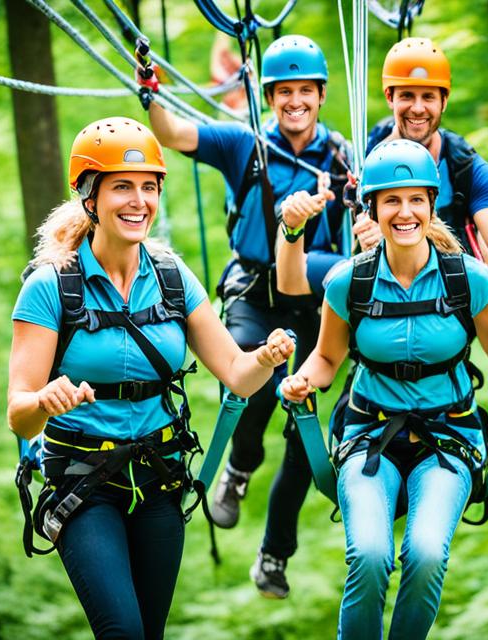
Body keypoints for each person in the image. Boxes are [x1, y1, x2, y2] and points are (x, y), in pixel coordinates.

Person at [7, 117, 294, 639]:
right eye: (122, 187)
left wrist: (267, 359)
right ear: (89, 198)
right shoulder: (51, 288)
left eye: (148, 187)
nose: (138, 201)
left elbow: (236, 374)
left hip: (160, 479)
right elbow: (18, 415)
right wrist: (45, 401)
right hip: (83, 483)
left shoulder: (171, 279)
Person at [279, 139, 488, 640]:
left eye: (416, 200)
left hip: (448, 438)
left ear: (432, 206)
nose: (404, 212)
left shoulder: (467, 279)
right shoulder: (349, 283)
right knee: (368, 554)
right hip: (368, 436)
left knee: (427, 553)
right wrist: (302, 380)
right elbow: (326, 358)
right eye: (391, 200)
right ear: (373, 208)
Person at [142, 34, 372, 598]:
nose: (294, 101)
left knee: (306, 426)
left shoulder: (347, 159)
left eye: (305, 91)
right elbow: (171, 135)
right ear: (269, 96)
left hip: (318, 306)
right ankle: (240, 466)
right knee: (250, 373)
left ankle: (274, 555)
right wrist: (150, 87)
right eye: (283, 92)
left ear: (320, 95)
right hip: (256, 292)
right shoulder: (244, 144)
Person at [370, 37, 488, 339]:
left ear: (444, 101)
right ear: (389, 97)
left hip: (447, 302)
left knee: (482, 235)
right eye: (407, 96)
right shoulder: (368, 164)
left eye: (428, 97)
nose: (417, 108)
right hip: (383, 299)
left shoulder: (466, 168)